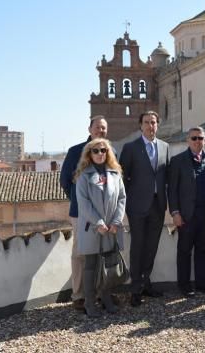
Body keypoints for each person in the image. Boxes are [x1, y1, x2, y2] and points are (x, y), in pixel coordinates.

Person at [119, 111, 170, 307]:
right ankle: (135, 289)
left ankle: (146, 283)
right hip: (137, 207)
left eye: (154, 122)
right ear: (140, 126)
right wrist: (128, 202)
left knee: (151, 247)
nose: (150, 126)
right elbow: (123, 178)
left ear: (158, 125)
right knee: (138, 247)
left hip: (158, 206)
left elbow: (166, 177)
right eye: (147, 122)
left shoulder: (165, 147)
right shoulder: (131, 148)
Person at [59, 115, 109, 311]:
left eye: (104, 128)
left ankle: (102, 292)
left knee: (104, 252)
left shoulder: (110, 151)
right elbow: (65, 181)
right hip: (81, 213)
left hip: (105, 212)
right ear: (89, 129)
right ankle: (79, 295)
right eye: (97, 127)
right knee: (80, 252)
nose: (100, 131)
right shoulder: (75, 152)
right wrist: (79, 201)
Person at [74, 138, 126, 318]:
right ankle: (89, 302)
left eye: (103, 150)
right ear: (89, 153)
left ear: (108, 152)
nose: (100, 154)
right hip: (92, 228)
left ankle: (106, 297)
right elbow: (84, 204)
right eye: (95, 151)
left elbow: (121, 198)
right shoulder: (83, 176)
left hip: (112, 228)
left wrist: (116, 221)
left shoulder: (115, 173)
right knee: (91, 266)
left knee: (110, 264)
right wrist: (99, 223)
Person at [168, 127, 205, 297]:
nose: (197, 141)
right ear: (188, 140)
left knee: (203, 250)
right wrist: (175, 213)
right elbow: (172, 190)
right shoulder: (177, 161)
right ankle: (184, 286)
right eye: (194, 138)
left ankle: (203, 284)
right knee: (184, 250)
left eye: (200, 138)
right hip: (186, 215)